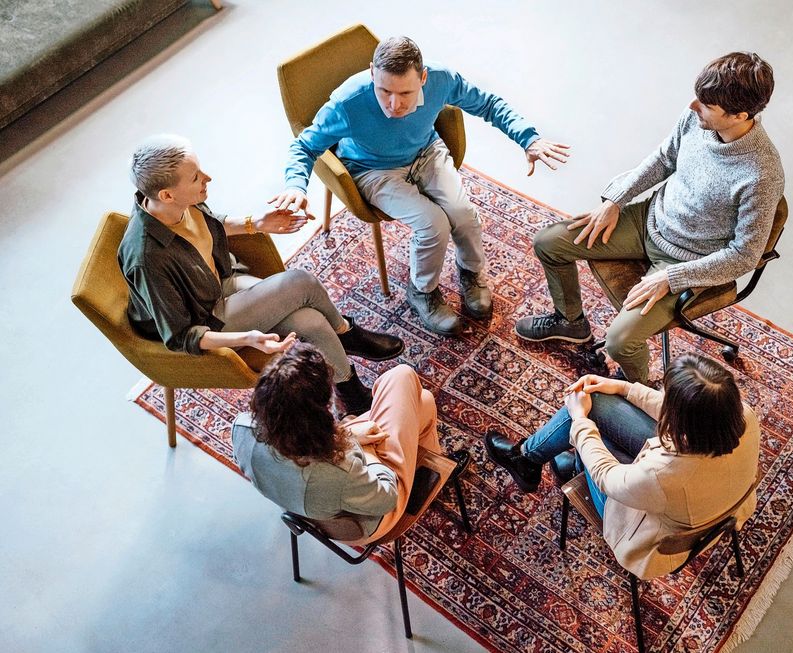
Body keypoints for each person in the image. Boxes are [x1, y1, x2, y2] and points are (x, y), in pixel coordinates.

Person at [271, 36, 571, 336]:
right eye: (384, 91)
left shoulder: (440, 79)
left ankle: (470, 274)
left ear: (423, 78)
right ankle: (422, 291)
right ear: (372, 72)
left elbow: (488, 103)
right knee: (433, 224)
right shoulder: (347, 102)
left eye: (405, 93)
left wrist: (527, 138)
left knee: (463, 214)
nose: (394, 104)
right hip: (374, 169)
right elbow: (304, 146)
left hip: (426, 152)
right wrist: (296, 185)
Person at [516, 52, 784, 383]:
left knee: (619, 343)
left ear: (739, 115)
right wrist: (616, 199)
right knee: (549, 243)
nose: (692, 107)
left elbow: (745, 255)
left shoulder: (761, 175)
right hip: (650, 220)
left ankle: (639, 391)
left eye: (706, 105)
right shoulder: (697, 119)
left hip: (687, 261)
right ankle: (570, 322)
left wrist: (674, 277)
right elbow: (663, 159)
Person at [119, 134, 403, 415]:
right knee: (301, 281)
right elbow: (182, 336)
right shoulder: (146, 259)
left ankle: (349, 392)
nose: (207, 178)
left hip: (220, 282)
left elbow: (208, 224)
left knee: (311, 320)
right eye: (195, 177)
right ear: (166, 195)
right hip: (203, 318)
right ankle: (345, 333)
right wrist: (247, 339)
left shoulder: (177, 204)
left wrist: (257, 222)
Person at [484, 354, 759, 579]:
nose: (663, 396)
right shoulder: (743, 416)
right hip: (717, 501)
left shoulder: (662, 475)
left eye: (668, 395)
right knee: (600, 401)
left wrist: (580, 420)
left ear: (680, 417)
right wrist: (624, 388)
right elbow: (690, 410)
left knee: (587, 425)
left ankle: (529, 461)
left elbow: (607, 477)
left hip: (646, 529)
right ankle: (532, 459)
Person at [232, 342, 469, 544]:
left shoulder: (241, 428)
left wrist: (350, 436)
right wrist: (356, 446)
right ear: (316, 414)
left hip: (306, 506)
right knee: (402, 376)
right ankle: (433, 471)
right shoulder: (340, 468)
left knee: (424, 404)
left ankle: (435, 463)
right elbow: (387, 497)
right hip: (364, 521)